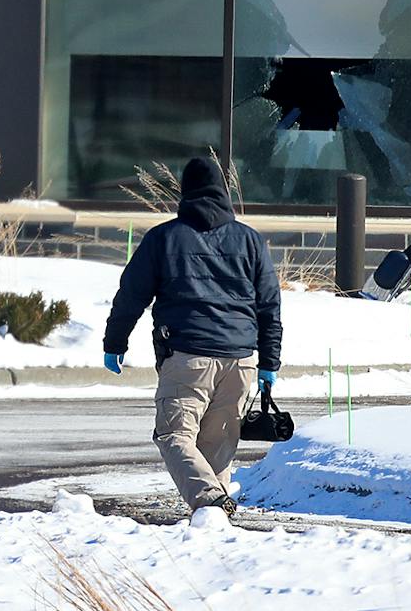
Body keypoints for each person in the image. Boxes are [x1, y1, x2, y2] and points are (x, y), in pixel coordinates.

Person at [103, 155, 282, 517]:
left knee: (174, 435)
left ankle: (212, 503)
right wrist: (269, 362)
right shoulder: (250, 241)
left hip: (188, 356)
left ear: (185, 193)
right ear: (223, 192)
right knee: (215, 450)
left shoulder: (163, 239)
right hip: (241, 361)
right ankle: (214, 527)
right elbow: (269, 305)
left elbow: (131, 296)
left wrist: (114, 343)